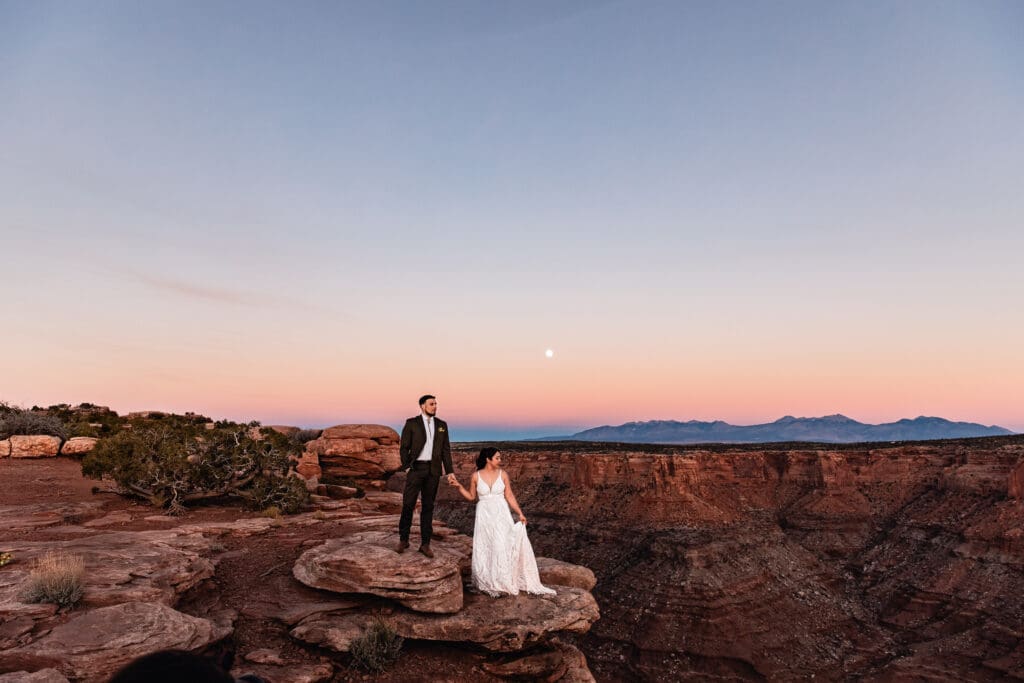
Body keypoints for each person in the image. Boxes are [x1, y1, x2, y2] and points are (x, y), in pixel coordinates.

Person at [450, 447, 556, 596]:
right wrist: (459, 486)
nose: (500, 460)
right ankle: (487, 579)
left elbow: (510, 495)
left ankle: (502, 579)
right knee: (486, 544)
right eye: (497, 458)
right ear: (488, 459)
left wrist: (520, 513)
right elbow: (471, 497)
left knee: (502, 544)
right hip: (484, 514)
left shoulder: (503, 474)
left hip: (501, 513)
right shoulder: (475, 476)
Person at [397, 394, 455, 558]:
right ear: (422, 406)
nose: (435, 406)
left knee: (428, 507)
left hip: (433, 470)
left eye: (436, 404)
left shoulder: (442, 425)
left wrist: (450, 471)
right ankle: (403, 539)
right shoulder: (412, 423)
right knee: (408, 504)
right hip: (416, 469)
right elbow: (404, 448)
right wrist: (407, 467)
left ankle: (425, 544)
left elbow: (446, 450)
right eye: (431, 404)